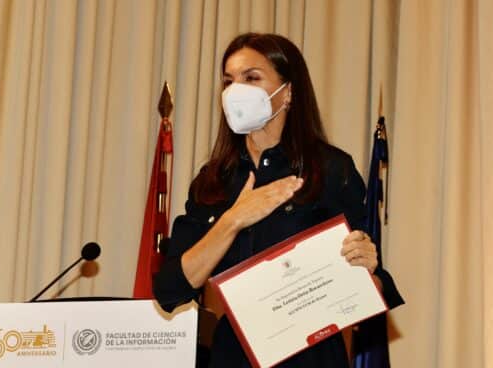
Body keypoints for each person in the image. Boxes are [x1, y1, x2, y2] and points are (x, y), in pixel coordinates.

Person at [154, 32, 404, 367]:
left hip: (313, 358)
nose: (234, 91)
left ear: (288, 92)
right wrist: (233, 220)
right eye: (228, 81)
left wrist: (365, 265)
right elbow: (170, 290)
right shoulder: (213, 180)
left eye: (251, 78)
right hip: (234, 357)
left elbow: (372, 289)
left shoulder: (330, 169)